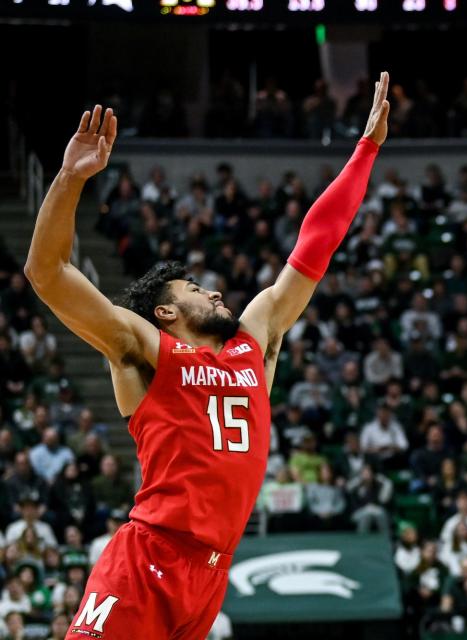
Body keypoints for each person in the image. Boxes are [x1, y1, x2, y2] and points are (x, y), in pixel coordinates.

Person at [24, 73, 392, 639]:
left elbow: (316, 241)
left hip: (212, 574)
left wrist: (365, 150)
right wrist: (70, 180)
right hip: (150, 558)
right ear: (166, 313)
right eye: (193, 290)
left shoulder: (255, 342)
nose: (214, 292)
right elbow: (47, 274)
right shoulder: (142, 350)